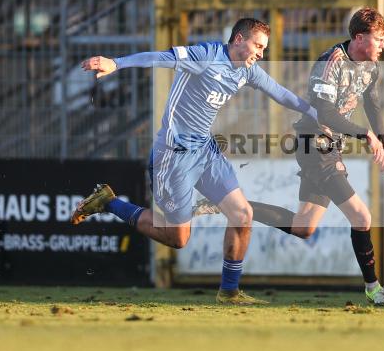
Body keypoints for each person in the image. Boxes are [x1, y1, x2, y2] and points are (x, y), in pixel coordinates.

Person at [70, 18, 315, 306]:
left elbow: (280, 93)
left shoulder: (247, 70)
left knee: (242, 214)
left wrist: (314, 113)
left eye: (264, 48)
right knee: (177, 238)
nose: (261, 53)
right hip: (174, 155)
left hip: (205, 150)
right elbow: (161, 58)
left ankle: (229, 292)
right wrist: (117, 63)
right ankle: (109, 202)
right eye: (257, 46)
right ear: (238, 39)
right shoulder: (205, 55)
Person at [209, 8, 384, 306]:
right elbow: (324, 113)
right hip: (315, 145)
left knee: (303, 227)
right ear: (360, 37)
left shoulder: (370, 67)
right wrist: (365, 135)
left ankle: (232, 207)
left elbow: (373, 105)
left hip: (330, 146)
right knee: (362, 217)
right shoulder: (330, 63)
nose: (383, 45)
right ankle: (374, 289)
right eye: (379, 39)